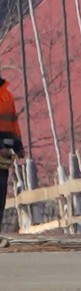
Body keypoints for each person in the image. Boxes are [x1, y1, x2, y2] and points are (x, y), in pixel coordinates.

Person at [0, 73, 24, 249]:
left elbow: (13, 123)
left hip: (4, 154)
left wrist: (18, 145)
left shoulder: (7, 96)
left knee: (1, 193)